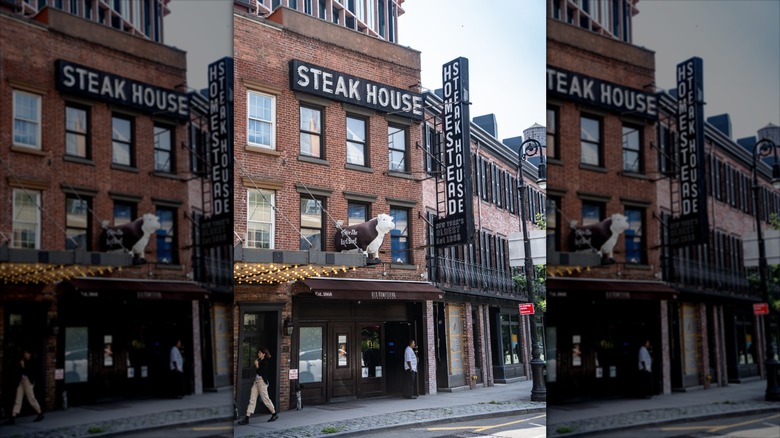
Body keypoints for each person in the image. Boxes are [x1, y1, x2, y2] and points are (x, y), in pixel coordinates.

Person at [237, 347, 278, 424]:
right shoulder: (259, 360)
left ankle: (274, 414)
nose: (258, 354)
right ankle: (247, 418)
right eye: (258, 353)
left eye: (260, 353)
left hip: (262, 382)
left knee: (266, 399)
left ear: (263, 354)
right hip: (256, 382)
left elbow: (261, 372)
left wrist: (257, 365)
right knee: (252, 399)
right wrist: (257, 365)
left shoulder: (266, 362)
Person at [8, 349, 44, 424]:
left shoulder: (31, 361)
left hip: (28, 382)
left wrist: (23, 366)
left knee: (31, 398)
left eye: (26, 353)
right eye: (24, 353)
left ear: (29, 354)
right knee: (18, 398)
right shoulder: (22, 360)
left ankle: (40, 413)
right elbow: (18, 371)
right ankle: (13, 416)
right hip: (21, 381)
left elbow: (30, 371)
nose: (25, 354)